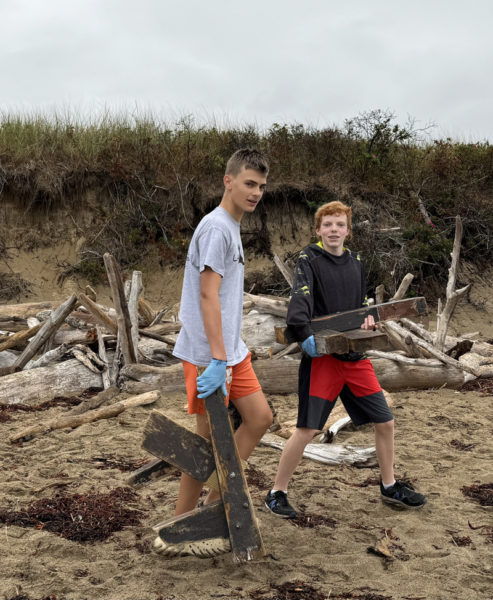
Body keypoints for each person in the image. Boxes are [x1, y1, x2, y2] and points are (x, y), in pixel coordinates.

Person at [264, 201, 426, 518]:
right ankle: (277, 492)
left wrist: (368, 319)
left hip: (354, 357)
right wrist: (303, 331)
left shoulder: (357, 261)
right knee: (307, 430)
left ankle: (389, 485)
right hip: (323, 358)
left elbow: (361, 303)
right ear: (318, 230)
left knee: (386, 421)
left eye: (339, 224)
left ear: (348, 230)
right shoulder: (309, 258)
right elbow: (300, 297)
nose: (334, 230)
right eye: (328, 225)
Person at [171, 148, 273, 520]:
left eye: (261, 186)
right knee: (205, 441)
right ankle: (182, 522)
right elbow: (207, 293)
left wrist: (228, 353)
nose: (256, 192)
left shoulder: (231, 225)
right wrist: (215, 359)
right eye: (249, 183)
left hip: (232, 350)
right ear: (228, 181)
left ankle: (215, 500)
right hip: (208, 354)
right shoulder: (216, 227)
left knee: (260, 418)